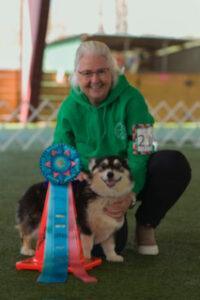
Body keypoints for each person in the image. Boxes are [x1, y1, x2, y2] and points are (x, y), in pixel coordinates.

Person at [53, 40, 191, 256]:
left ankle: (146, 224)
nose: (95, 80)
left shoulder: (133, 99)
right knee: (105, 249)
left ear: (113, 71)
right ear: (76, 75)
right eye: (87, 73)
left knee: (172, 164)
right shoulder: (68, 108)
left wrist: (129, 193)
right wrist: (73, 174)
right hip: (91, 186)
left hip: (129, 178)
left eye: (102, 72)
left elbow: (142, 148)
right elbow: (60, 153)